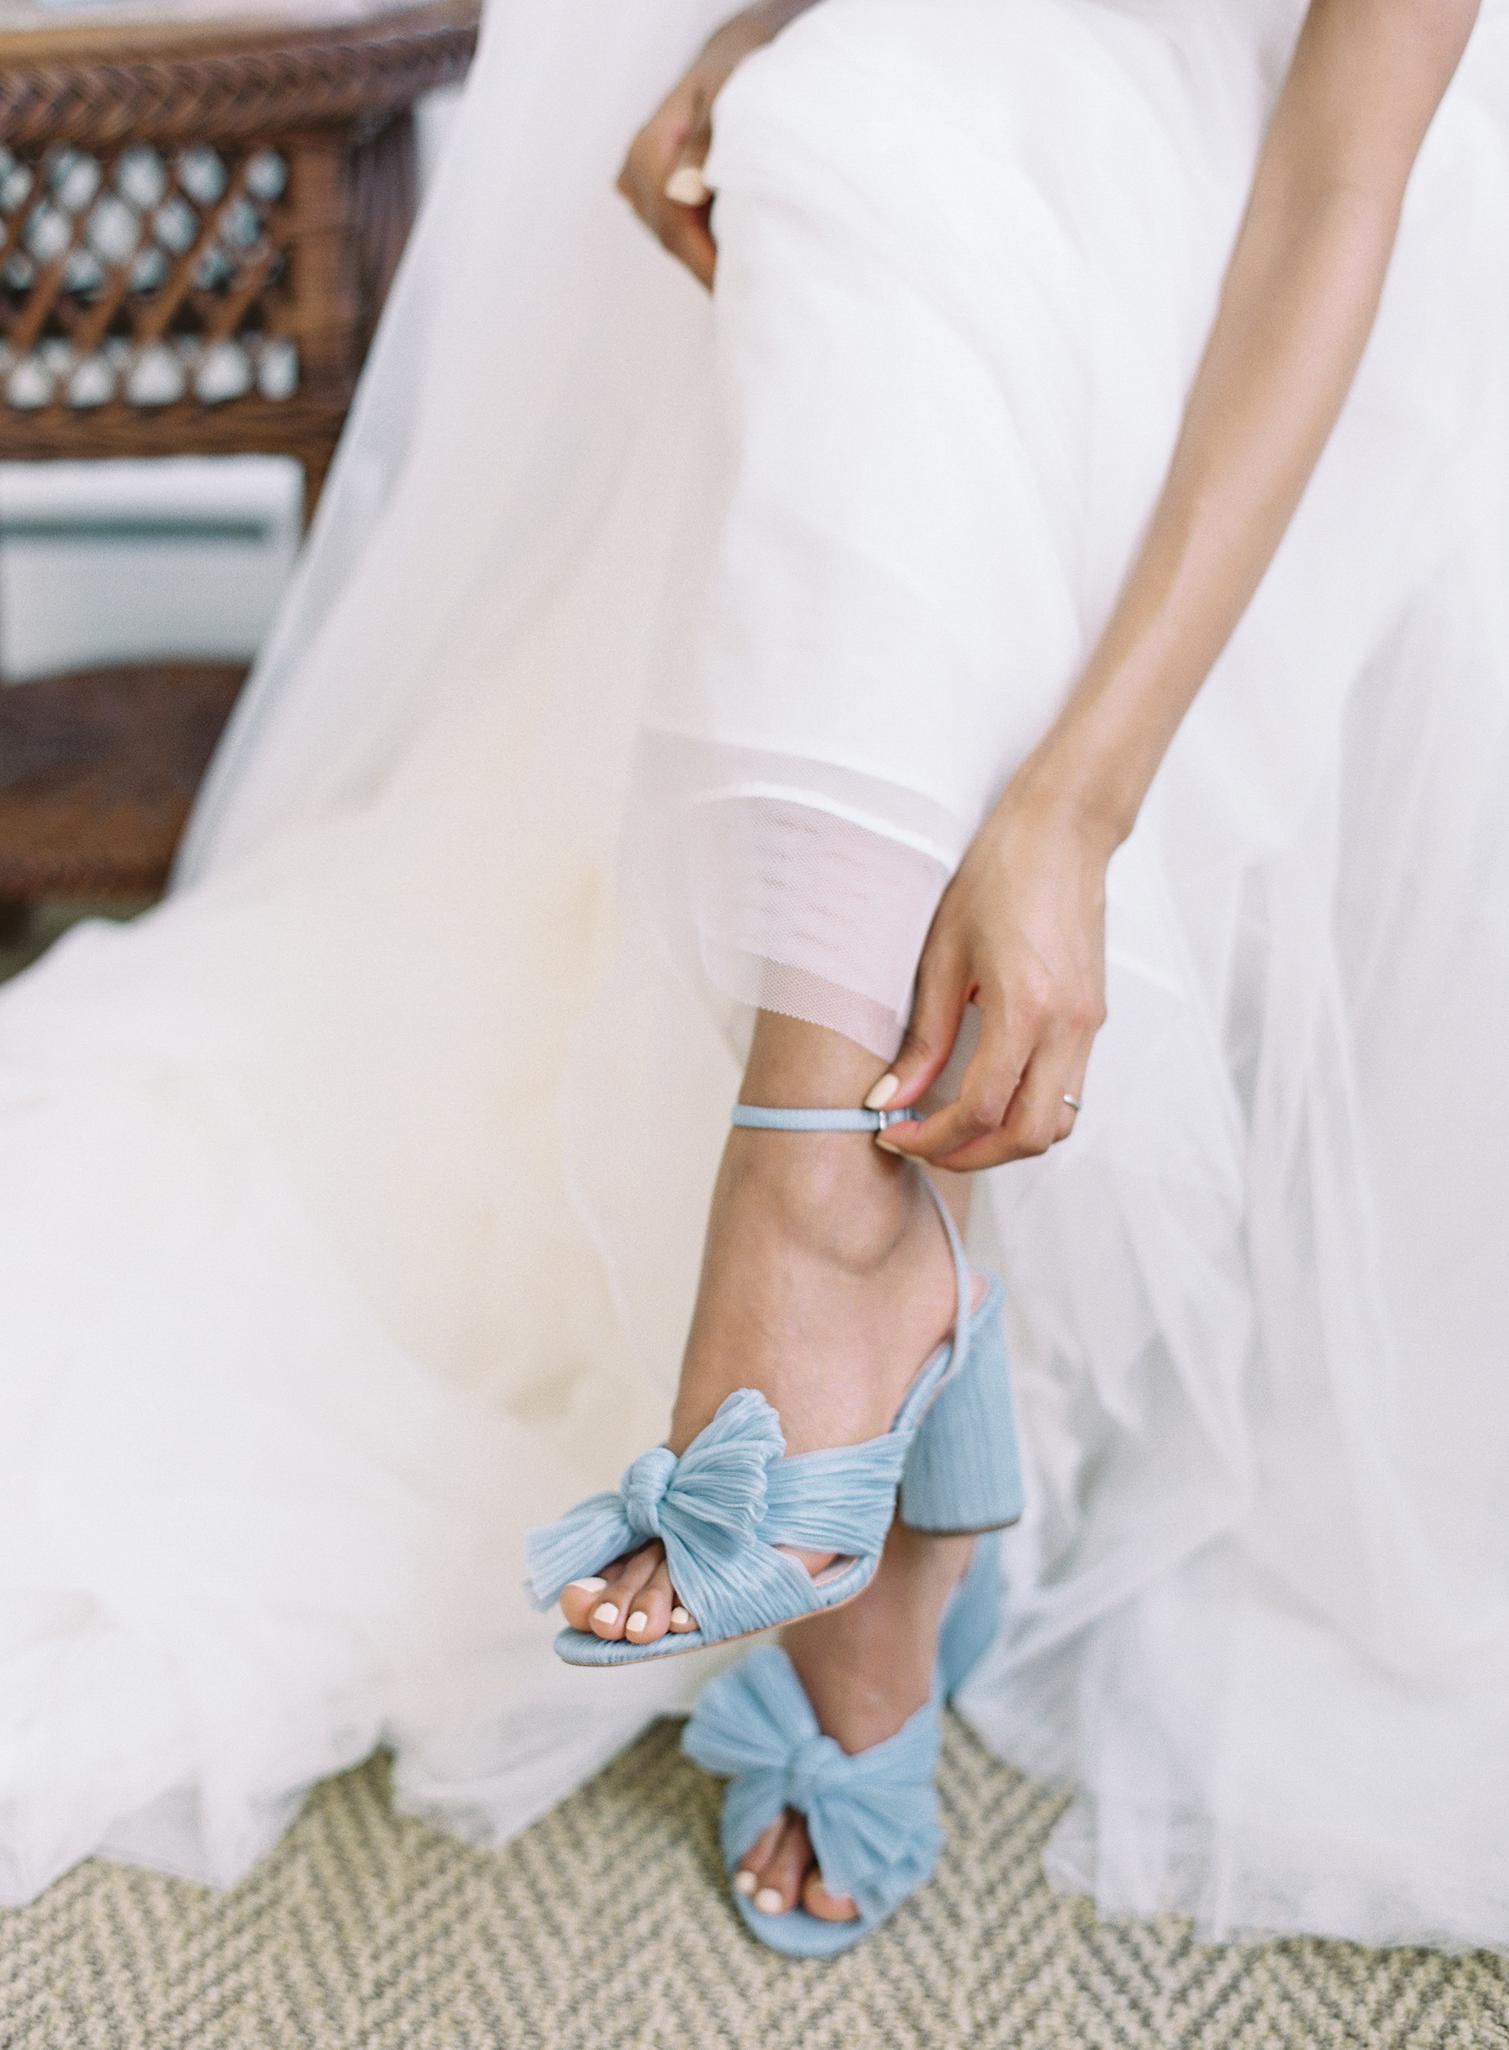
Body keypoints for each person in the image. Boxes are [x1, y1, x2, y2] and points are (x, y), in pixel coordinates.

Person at [0, 0, 1504, 1960]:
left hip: (1313, 228)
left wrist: (1068, 811)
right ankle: (860, 1236)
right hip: (971, 108)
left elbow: (1332, 192)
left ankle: (823, 1208)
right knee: (849, 122)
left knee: (912, 173)